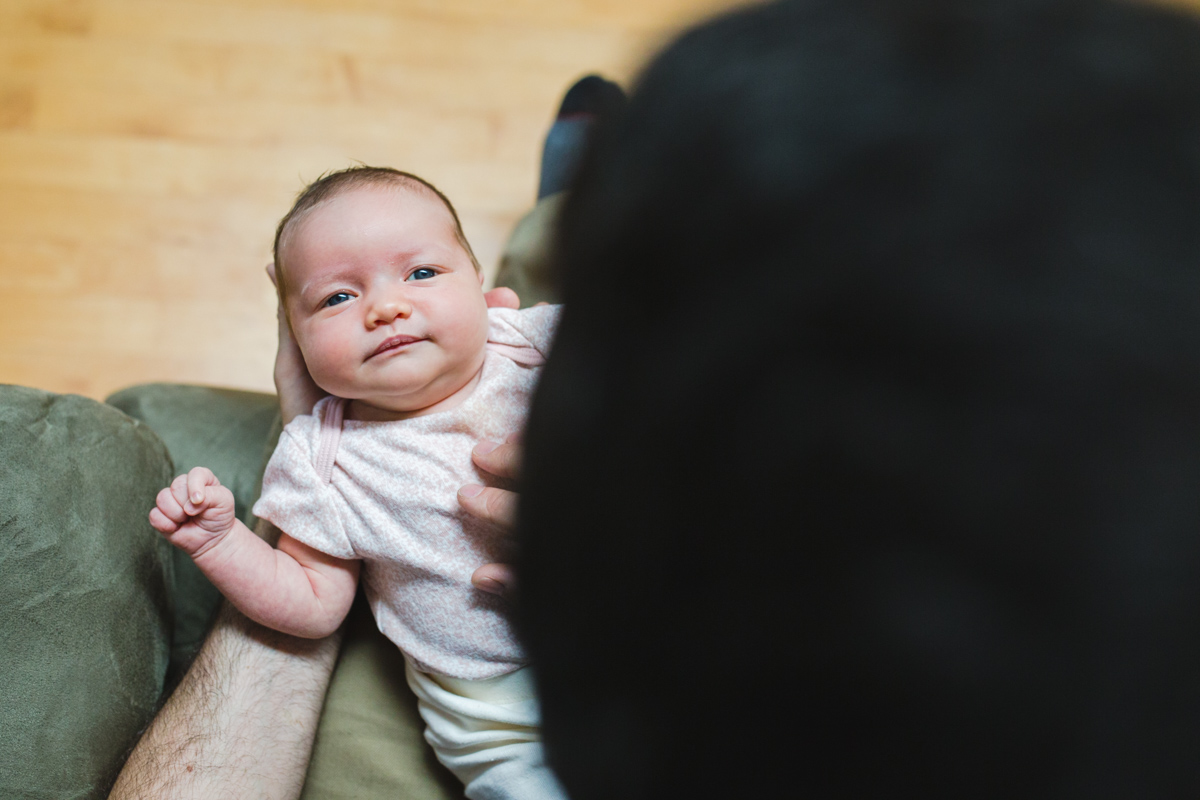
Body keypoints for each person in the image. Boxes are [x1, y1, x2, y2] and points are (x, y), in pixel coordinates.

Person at [149, 166, 564, 800]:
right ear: (295, 333)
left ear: (481, 287)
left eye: (422, 273)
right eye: (337, 298)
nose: (386, 306)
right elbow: (313, 604)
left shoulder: (524, 340)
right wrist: (220, 542)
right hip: (493, 712)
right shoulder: (320, 456)